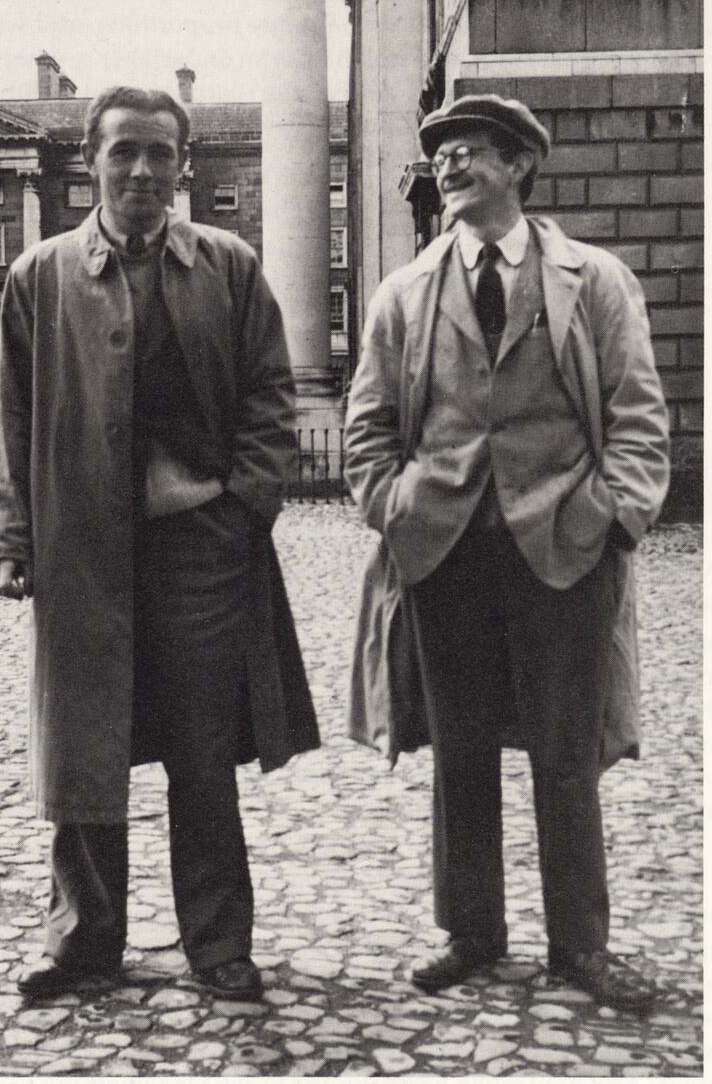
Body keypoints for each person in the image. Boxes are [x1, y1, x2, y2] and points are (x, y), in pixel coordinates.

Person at [0, 85, 319, 1002]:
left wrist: (244, 508)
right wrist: (9, 535)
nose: (141, 170)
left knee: (202, 751)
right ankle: (83, 940)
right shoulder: (39, 277)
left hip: (202, 550)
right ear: (91, 159)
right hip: (83, 551)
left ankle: (219, 945)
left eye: (159, 154)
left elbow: (270, 400)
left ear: (183, 165)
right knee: (84, 749)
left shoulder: (230, 265)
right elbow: (10, 417)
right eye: (123, 150)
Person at [345, 94, 669, 1014]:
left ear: (521, 167)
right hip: (444, 556)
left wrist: (616, 519)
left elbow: (640, 417)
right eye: (442, 157)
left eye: (471, 153)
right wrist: (395, 504)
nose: (449, 168)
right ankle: (472, 932)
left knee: (568, 756)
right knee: (461, 750)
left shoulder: (594, 281)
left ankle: (581, 945)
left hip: (563, 549)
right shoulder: (405, 292)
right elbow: (366, 428)